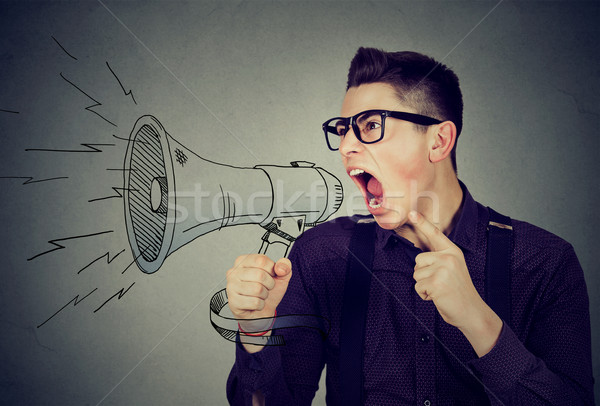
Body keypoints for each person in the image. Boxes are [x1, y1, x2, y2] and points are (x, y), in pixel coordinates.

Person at [225, 48, 594, 405]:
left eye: (370, 125)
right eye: (343, 129)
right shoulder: (320, 255)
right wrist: (257, 331)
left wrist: (477, 320)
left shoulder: (544, 262)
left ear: (439, 141)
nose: (347, 146)